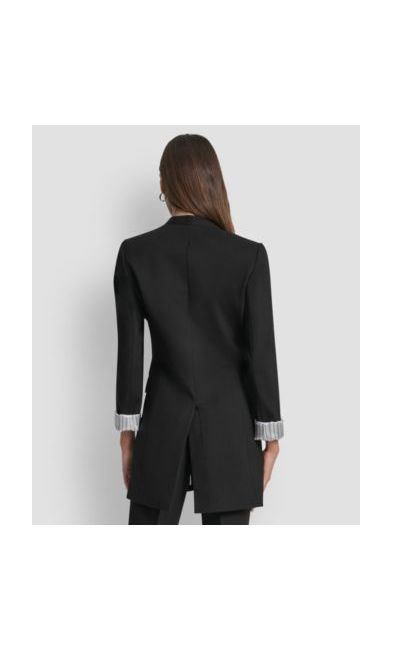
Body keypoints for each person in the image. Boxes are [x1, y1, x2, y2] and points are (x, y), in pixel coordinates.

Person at [114, 134, 283, 525]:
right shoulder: (249, 256)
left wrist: (127, 436)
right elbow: (261, 353)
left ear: (164, 182)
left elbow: (130, 354)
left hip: (162, 424)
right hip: (231, 427)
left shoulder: (135, 254)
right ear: (212, 181)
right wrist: (271, 435)